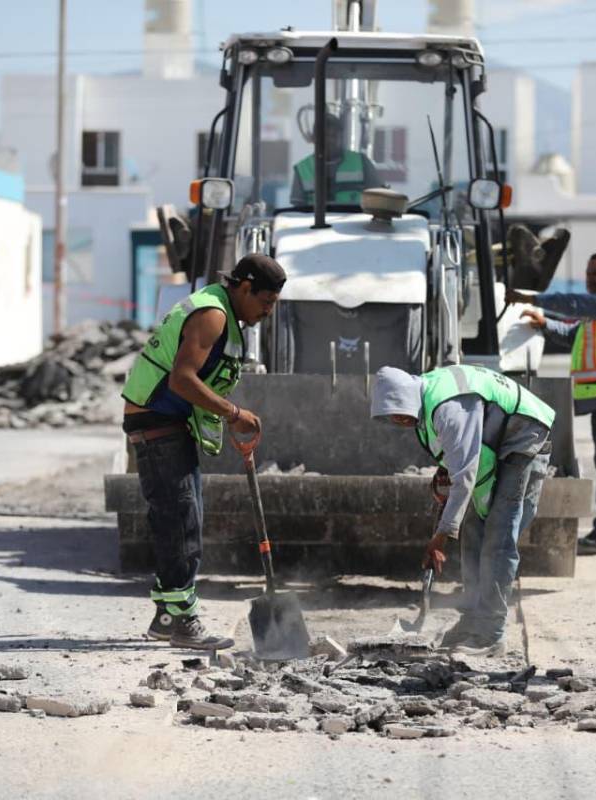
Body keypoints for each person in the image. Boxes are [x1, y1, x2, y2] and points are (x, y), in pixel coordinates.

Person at [120, 254, 286, 650]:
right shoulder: (213, 315)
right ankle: (181, 622)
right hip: (156, 423)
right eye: (265, 301)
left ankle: (165, 616)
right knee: (179, 523)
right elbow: (182, 379)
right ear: (243, 288)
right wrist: (234, 413)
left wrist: (222, 421)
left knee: (185, 518)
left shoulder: (222, 310)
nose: (267, 311)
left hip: (169, 424)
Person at [371, 363, 555, 657]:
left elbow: (467, 475)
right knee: (473, 532)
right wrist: (444, 473)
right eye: (391, 417)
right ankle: (472, 620)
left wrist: (441, 536)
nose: (397, 420)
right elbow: (457, 458)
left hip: (524, 438)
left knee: (498, 538)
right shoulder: (427, 401)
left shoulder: (448, 406)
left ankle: (491, 634)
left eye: (399, 412)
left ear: (407, 398)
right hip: (499, 442)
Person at [505, 252, 596, 556]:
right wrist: (544, 325)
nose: (590, 279)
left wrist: (529, 297)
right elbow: (574, 335)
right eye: (588, 273)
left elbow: (573, 303)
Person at [290, 114, 384, 207]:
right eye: (325, 136)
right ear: (314, 139)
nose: (330, 140)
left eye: (334, 136)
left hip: (355, 221)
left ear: (341, 137)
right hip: (313, 222)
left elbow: (379, 200)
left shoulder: (361, 162)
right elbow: (297, 210)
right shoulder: (302, 169)